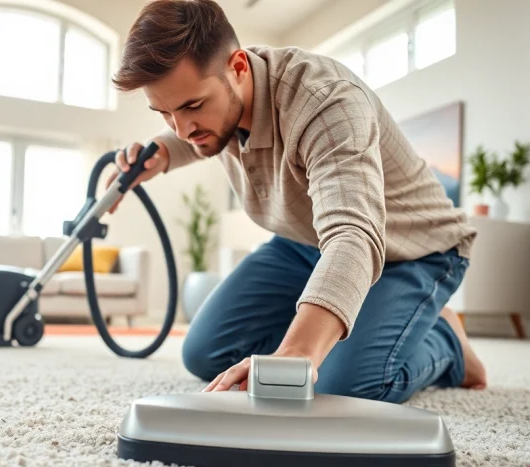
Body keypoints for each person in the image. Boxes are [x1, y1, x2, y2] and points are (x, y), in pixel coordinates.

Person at [105, 0, 487, 403]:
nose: (181, 129)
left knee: (343, 387)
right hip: (305, 243)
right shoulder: (216, 108)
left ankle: (447, 343)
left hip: (411, 250)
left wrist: (298, 352)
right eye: (164, 112)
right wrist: (161, 154)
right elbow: (195, 134)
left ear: (238, 67)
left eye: (192, 107)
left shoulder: (327, 103)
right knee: (205, 353)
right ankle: (347, 326)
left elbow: (352, 234)